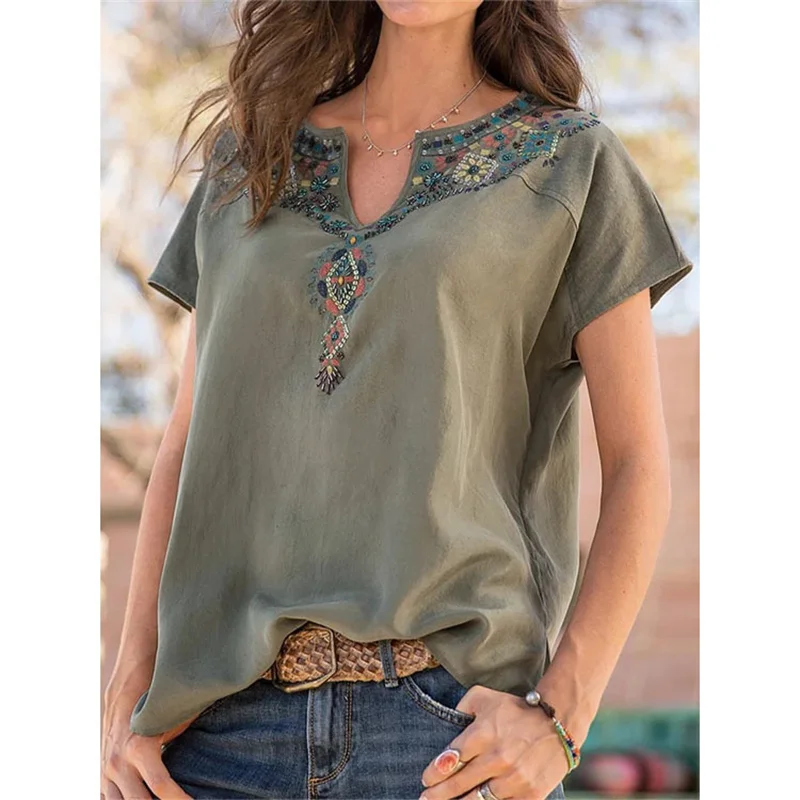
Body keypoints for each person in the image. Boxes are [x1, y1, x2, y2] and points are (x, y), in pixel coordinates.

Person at [101, 1, 694, 798]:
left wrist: (561, 716)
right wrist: (129, 684)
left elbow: (638, 465)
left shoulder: (569, 164)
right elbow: (188, 438)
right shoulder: (251, 155)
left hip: (444, 735)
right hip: (214, 738)